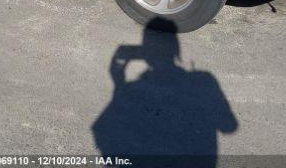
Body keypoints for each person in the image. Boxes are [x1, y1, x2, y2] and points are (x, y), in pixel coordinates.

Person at [92, 18, 238, 167]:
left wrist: (119, 82)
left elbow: (102, 131)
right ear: (177, 50)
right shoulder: (204, 80)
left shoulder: (132, 88)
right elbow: (229, 126)